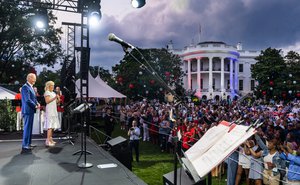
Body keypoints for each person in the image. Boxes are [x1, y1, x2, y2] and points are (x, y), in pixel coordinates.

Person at [21, 73, 39, 153]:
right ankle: (25, 145)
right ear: (29, 78)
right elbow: (27, 100)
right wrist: (35, 106)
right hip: (28, 110)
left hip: (30, 110)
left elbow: (33, 98)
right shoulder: (25, 87)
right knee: (27, 128)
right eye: (34, 78)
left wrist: (37, 103)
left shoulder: (30, 87)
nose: (35, 79)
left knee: (29, 128)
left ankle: (28, 143)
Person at [44, 81, 60, 147]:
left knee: (52, 126)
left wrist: (58, 99)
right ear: (49, 86)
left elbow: (56, 102)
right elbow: (47, 101)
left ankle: (50, 139)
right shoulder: (47, 92)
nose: (53, 87)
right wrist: (54, 98)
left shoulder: (53, 93)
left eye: (53, 85)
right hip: (50, 110)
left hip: (54, 110)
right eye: (52, 85)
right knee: (50, 126)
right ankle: (47, 141)